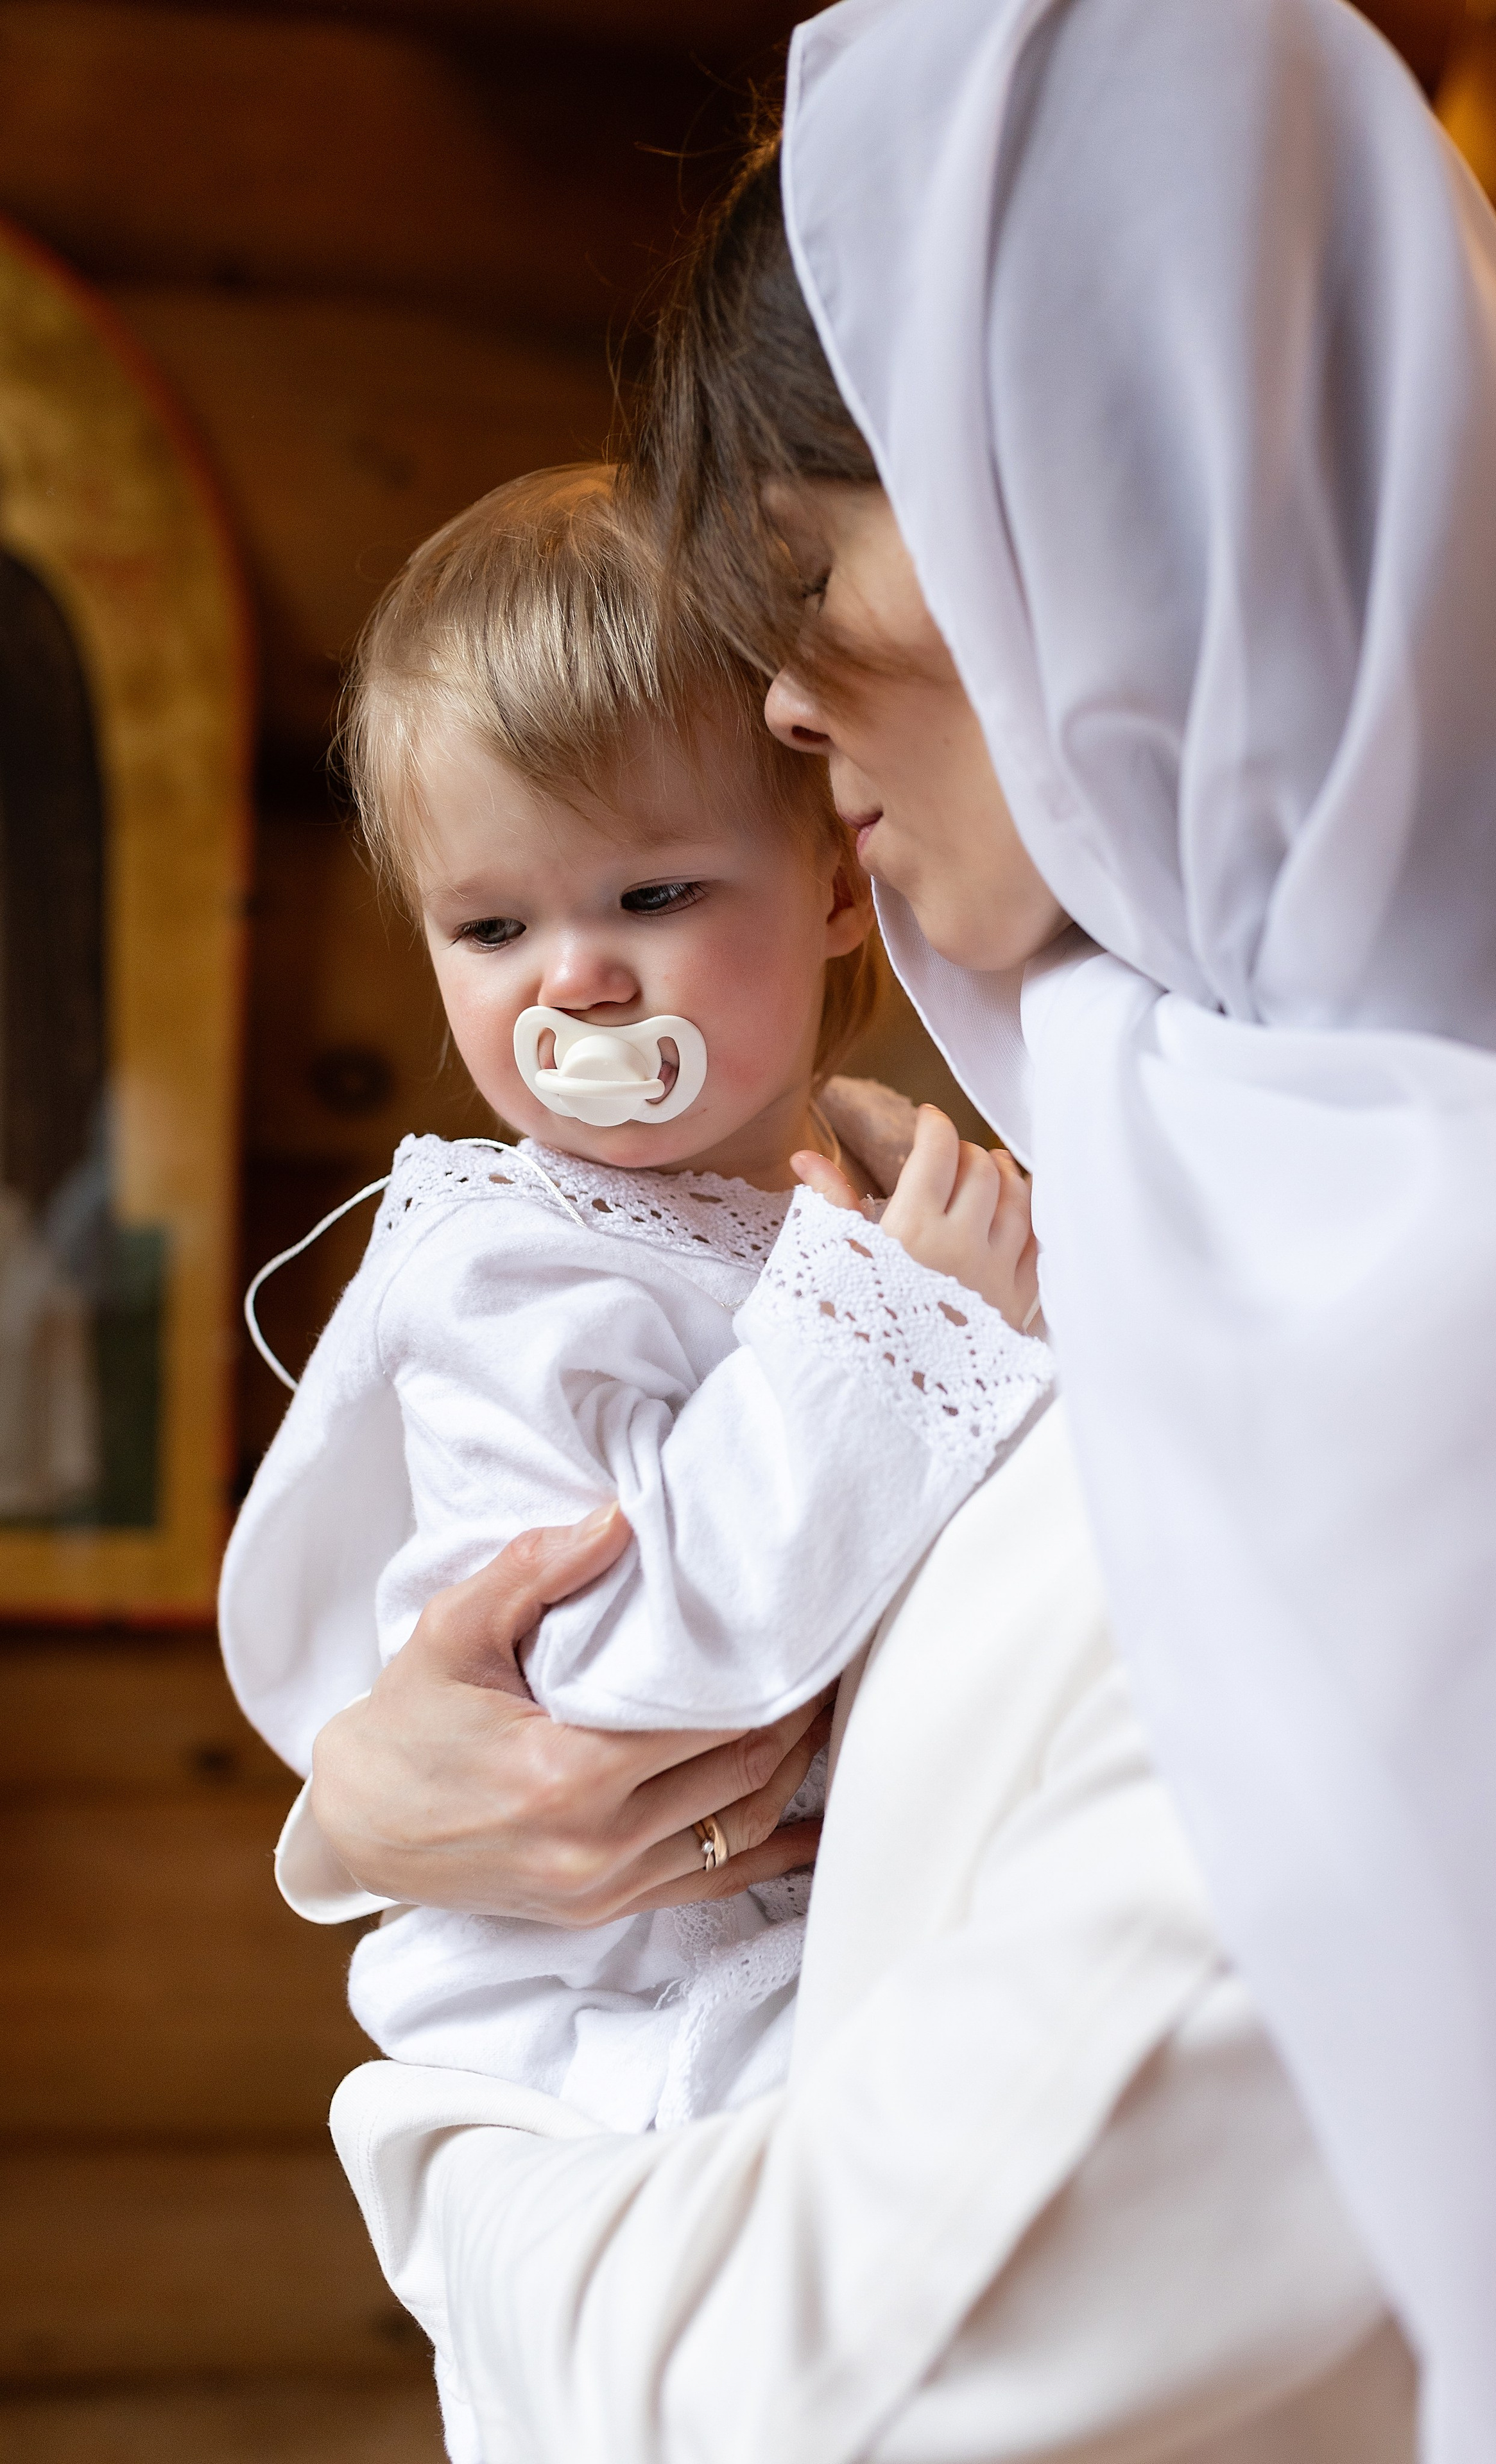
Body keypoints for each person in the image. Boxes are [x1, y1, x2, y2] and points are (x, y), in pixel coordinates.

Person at [298, 0, 1496, 2456]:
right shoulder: (1152, 1185)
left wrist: (430, 2119)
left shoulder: (1455, 1341)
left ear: (1105, 483)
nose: (783, 700)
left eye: (804, 562)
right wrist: (392, 1804)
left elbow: (806, 2401)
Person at [219, 465, 1049, 2451]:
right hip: (612, 2045)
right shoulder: (515, 1268)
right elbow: (611, 1677)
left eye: (652, 896)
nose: (573, 979)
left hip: (771, 1963)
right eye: (490, 922)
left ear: (835, 883)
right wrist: (910, 1329)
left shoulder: (836, 1197)